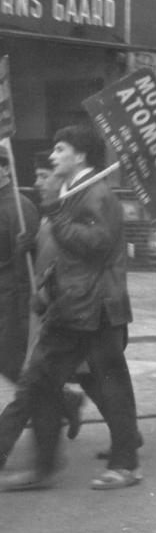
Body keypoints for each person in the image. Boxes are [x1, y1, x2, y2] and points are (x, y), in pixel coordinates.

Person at [0, 124, 142, 491]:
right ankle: (45, 468)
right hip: (74, 307)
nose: (52, 156)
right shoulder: (73, 193)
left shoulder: (96, 193)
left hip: (94, 308)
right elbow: (68, 257)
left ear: (79, 156)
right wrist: (47, 289)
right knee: (40, 382)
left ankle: (124, 465)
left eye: (60, 149)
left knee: (105, 387)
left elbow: (97, 243)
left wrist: (58, 218)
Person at [0, 146, 39, 388]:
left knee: (9, 361)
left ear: (5, 169)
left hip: (12, 300)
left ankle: (62, 403)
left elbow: (26, 263)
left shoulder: (19, 207)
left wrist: (21, 310)